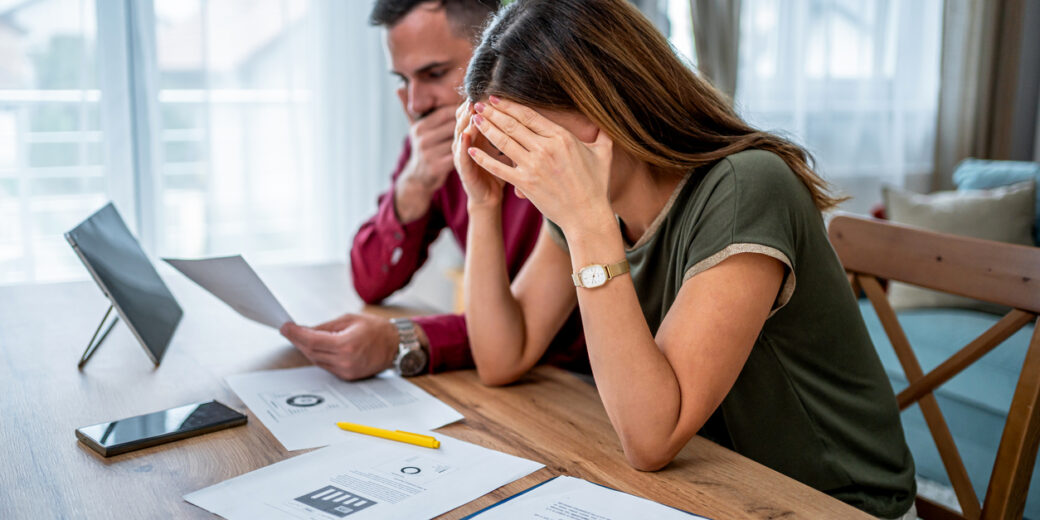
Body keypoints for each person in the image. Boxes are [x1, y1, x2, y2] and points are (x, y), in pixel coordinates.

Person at [452, 0, 916, 518]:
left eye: (532, 143)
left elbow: (650, 439)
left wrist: (587, 227)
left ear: (611, 107)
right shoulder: (588, 207)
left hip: (834, 502)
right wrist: (483, 203)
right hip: (715, 485)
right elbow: (500, 358)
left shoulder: (746, 187)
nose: (523, 170)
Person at [279, 0, 587, 380]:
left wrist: (401, 338)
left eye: (434, 74)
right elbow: (371, 281)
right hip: (528, 379)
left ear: (500, 50)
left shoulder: (567, 144)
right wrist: (413, 185)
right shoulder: (434, 149)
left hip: (587, 383)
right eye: (403, 81)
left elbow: (519, 325)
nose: (415, 103)